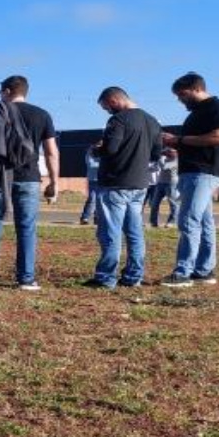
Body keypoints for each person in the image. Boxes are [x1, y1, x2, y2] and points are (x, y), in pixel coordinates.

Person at [0, 75, 59, 290]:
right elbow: (51, 153)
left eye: (0, 92)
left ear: (8, 91)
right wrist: (54, 182)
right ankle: (26, 279)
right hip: (29, 179)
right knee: (27, 227)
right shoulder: (42, 115)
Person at [83, 87, 162, 289]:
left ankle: (106, 277)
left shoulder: (118, 120)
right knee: (134, 231)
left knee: (110, 231)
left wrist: (96, 150)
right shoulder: (152, 120)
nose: (107, 111)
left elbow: (110, 149)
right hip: (139, 184)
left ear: (114, 100)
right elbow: (156, 153)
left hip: (115, 183)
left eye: (106, 107)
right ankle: (133, 276)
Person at [160, 72, 219, 287]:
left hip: (203, 172)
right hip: (192, 170)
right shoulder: (196, 113)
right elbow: (193, 142)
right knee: (203, 222)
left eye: (182, 94)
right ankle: (204, 271)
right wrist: (175, 147)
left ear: (197, 89)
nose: (180, 99)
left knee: (188, 220)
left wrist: (179, 139)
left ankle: (183, 272)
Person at [149, 152, 179, 228]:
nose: (167, 152)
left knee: (173, 204)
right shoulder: (165, 159)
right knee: (154, 204)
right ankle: (153, 222)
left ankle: (171, 222)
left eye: (170, 150)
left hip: (171, 184)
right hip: (160, 183)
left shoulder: (176, 161)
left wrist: (160, 157)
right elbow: (155, 168)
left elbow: (164, 167)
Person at [79, 147, 100, 225]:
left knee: (99, 199)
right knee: (92, 198)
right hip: (93, 180)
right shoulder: (90, 156)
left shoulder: (103, 156)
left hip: (101, 180)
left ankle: (97, 218)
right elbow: (91, 165)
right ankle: (85, 217)